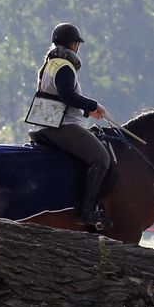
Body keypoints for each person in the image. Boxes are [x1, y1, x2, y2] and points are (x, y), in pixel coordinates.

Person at [31, 23, 112, 229]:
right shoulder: (65, 66)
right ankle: (87, 212)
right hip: (62, 127)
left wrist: (87, 112)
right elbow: (68, 95)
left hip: (48, 124)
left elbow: (59, 100)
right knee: (101, 158)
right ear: (73, 44)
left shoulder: (50, 65)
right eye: (78, 44)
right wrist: (93, 105)